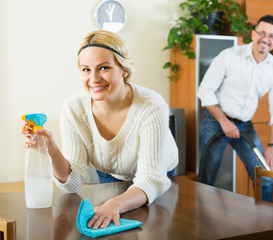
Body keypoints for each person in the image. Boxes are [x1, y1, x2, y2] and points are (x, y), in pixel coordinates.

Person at [21, 30, 178, 229]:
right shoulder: (73, 108)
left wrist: (114, 203)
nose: (94, 79)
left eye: (103, 68)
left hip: (160, 174)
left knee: (151, 227)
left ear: (124, 70)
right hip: (110, 173)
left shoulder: (151, 106)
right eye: (86, 69)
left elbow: (151, 179)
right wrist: (50, 148)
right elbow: (72, 183)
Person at [196, 15, 273, 202]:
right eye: (261, 32)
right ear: (253, 33)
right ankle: (200, 226)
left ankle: (266, 227)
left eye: (271, 36)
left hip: (245, 126)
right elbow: (205, 91)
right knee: (206, 180)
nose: (265, 39)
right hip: (216, 122)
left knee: (266, 177)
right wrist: (224, 122)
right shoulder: (229, 56)